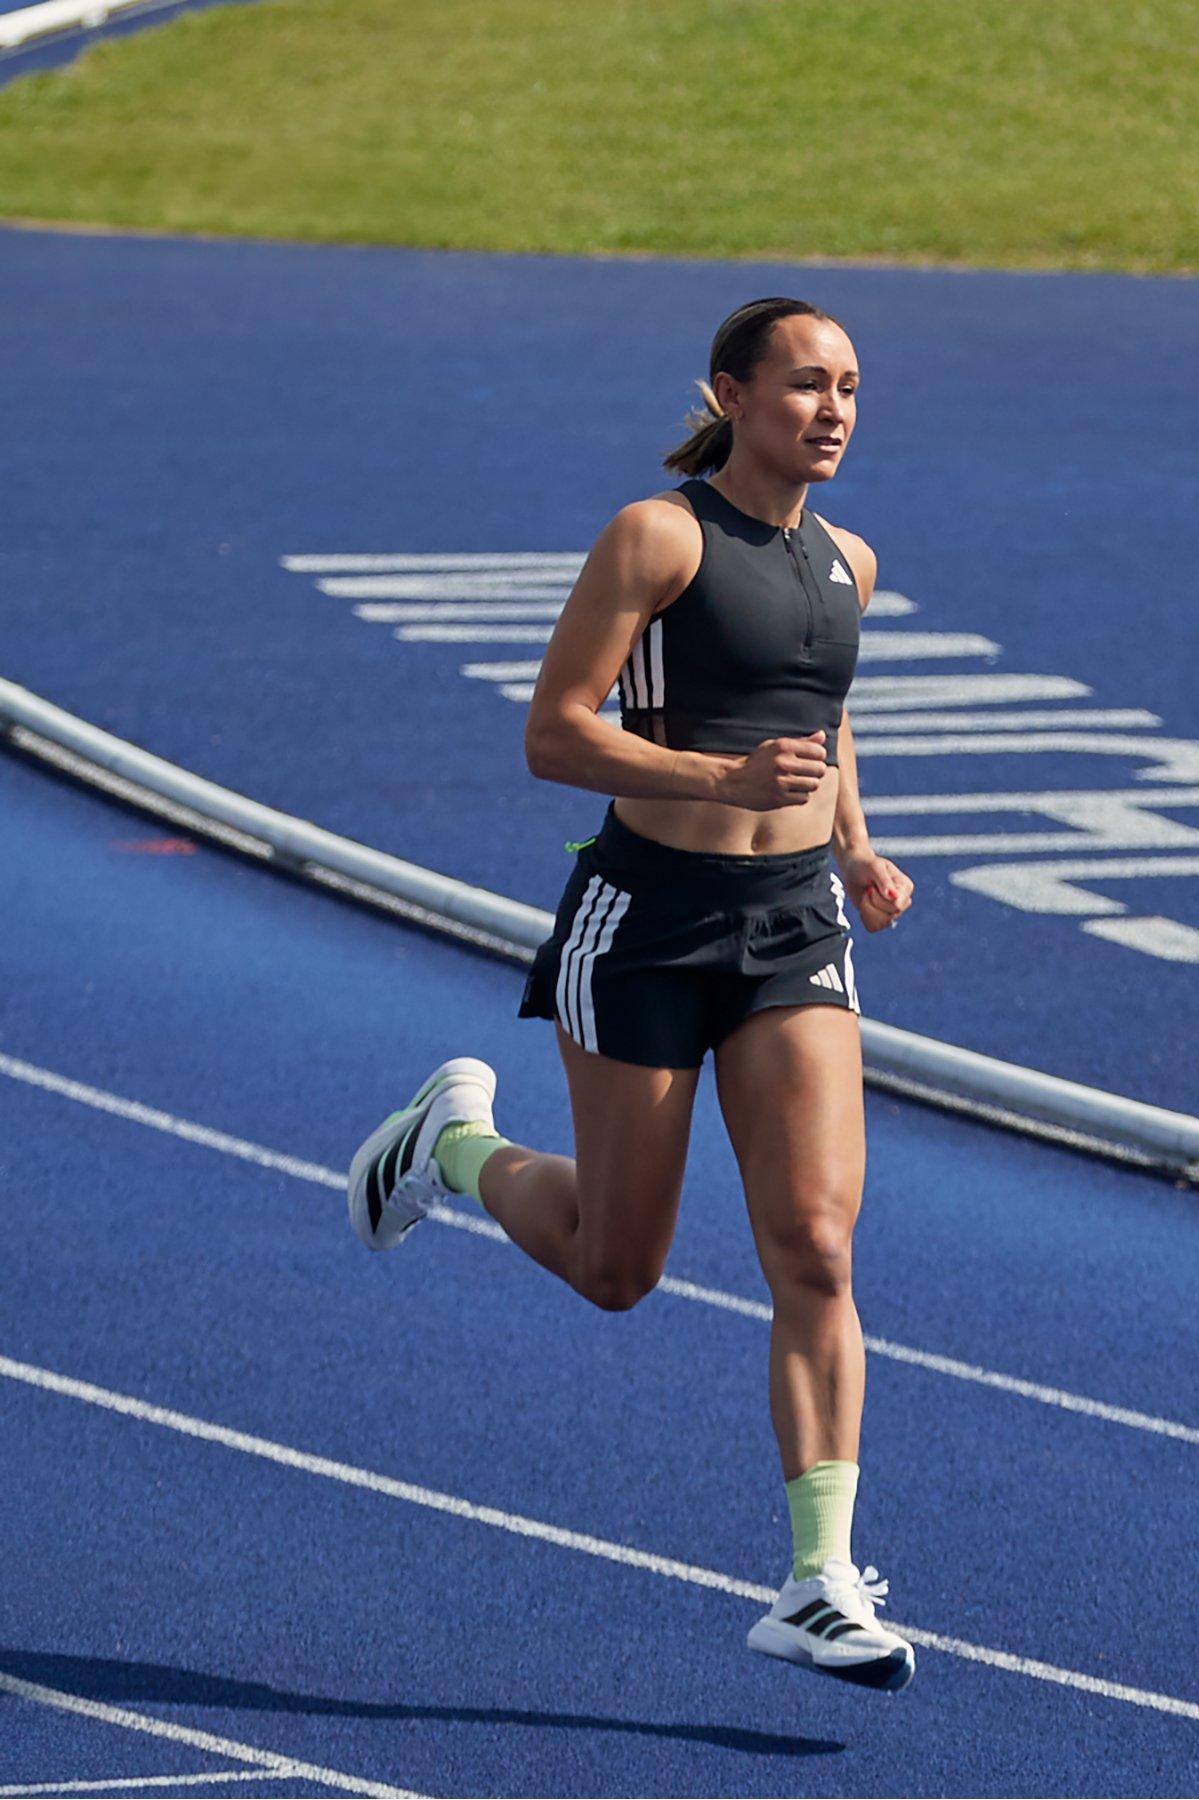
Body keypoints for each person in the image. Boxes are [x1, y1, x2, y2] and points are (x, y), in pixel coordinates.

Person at [346, 296, 917, 1692]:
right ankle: (453, 1150)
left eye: (847, 387)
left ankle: (818, 1579)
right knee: (617, 1266)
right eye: (800, 386)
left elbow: (821, 716)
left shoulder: (849, 558)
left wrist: (851, 844)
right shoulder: (657, 536)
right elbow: (554, 732)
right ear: (728, 393)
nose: (829, 409)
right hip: (644, 922)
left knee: (818, 1247)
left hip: (791, 930)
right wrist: (719, 782)